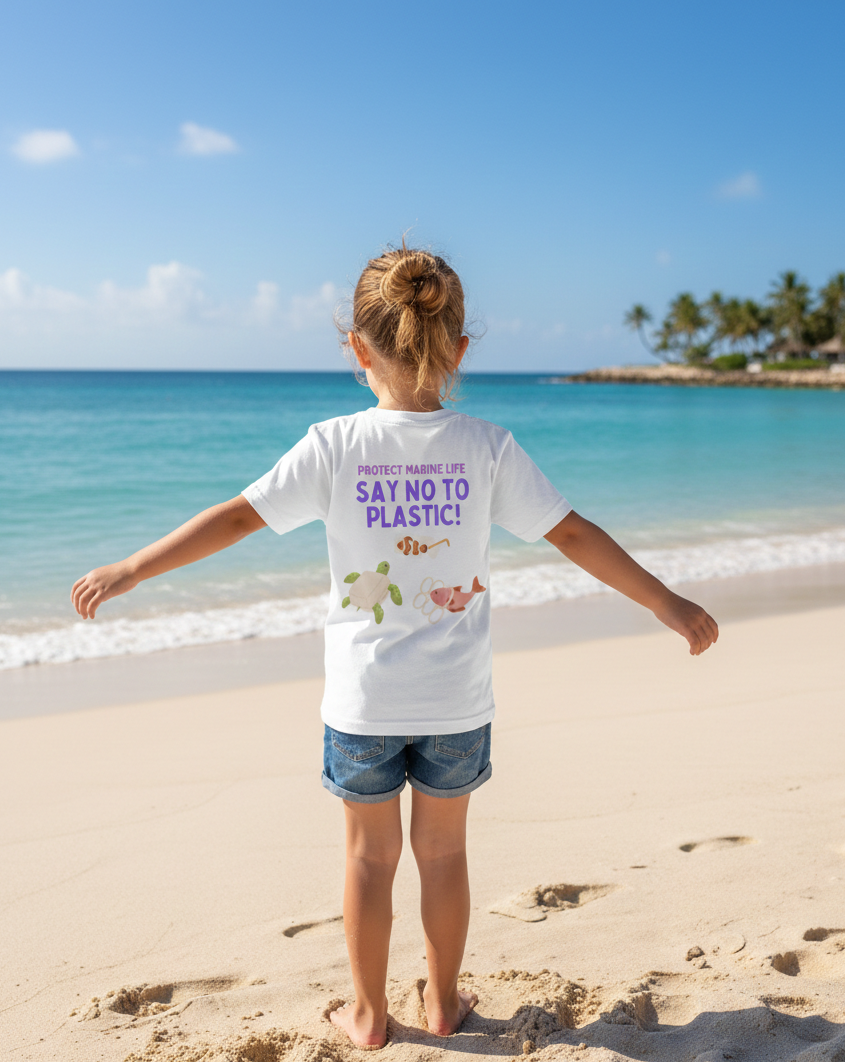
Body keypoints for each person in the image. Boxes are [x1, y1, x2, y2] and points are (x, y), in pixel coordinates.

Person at [71, 244, 718, 1049]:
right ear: (459, 349)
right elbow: (573, 533)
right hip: (454, 701)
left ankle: (371, 1015)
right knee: (443, 855)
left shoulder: (334, 444)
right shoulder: (486, 446)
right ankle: (444, 1001)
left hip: (363, 702)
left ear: (356, 347)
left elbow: (239, 517)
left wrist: (134, 566)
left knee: (369, 860)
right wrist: (666, 601)